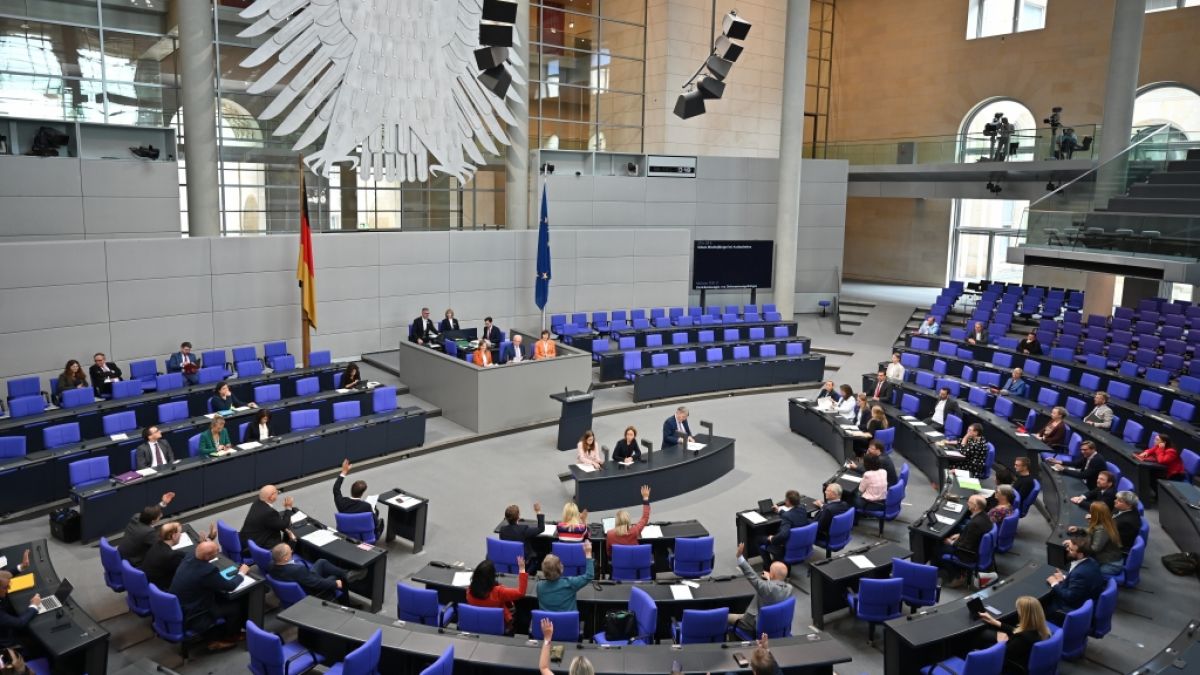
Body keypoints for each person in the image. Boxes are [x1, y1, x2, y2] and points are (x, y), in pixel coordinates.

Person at [169, 540, 249, 649]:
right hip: (195, 614)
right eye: (216, 552)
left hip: (181, 605)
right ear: (207, 557)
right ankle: (228, 636)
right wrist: (242, 573)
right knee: (234, 607)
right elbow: (230, 586)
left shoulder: (190, 556)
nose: (218, 552)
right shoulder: (207, 571)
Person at [730, 543, 793, 635]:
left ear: (772, 575)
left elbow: (752, 575)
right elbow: (775, 587)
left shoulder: (765, 588)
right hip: (776, 624)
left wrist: (740, 557)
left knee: (724, 617)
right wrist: (770, 579)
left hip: (754, 624)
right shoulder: (789, 588)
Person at [977, 595, 1051, 674]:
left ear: (1024, 615)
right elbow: (1019, 631)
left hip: (1011, 664)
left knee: (983, 640)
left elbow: (1003, 654)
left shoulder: (1022, 639)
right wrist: (995, 622)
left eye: (1018, 610)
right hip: (1024, 656)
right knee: (988, 634)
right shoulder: (1042, 631)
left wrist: (1001, 642)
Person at [270, 543, 359, 605]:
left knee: (321, 562)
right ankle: (347, 606)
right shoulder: (298, 570)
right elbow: (317, 584)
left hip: (304, 579)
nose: (292, 552)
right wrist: (335, 583)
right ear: (285, 558)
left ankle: (346, 574)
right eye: (290, 552)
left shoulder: (271, 565)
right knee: (337, 578)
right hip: (312, 590)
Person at [1045, 537, 1105, 623]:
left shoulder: (1080, 573)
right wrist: (1064, 578)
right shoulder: (1091, 561)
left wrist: (1054, 583)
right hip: (1086, 598)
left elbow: (1069, 597)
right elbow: (1081, 583)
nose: (1067, 550)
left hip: (1072, 608)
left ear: (1080, 554)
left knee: (1041, 605)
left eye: (1071, 550)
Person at [141, 521, 215, 591]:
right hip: (165, 588)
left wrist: (203, 544)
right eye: (180, 532)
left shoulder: (158, 544)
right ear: (174, 536)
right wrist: (206, 546)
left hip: (152, 584)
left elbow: (184, 555)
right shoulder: (170, 556)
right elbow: (191, 566)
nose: (181, 535)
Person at [467, 557, 527, 634]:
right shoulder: (498, 592)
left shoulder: (469, 591)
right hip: (498, 626)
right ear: (492, 576)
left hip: (477, 624)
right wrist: (522, 569)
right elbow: (521, 593)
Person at [942, 495, 991, 588]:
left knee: (938, 549)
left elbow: (966, 546)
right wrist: (960, 535)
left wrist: (951, 542)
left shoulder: (975, 523)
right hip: (976, 546)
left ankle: (958, 576)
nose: (967, 504)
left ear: (976, 507)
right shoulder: (984, 516)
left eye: (970, 502)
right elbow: (973, 535)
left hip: (968, 554)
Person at [118, 492, 175, 565]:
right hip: (133, 561)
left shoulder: (136, 517)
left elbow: (151, 512)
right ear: (153, 521)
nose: (161, 515)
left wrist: (163, 503)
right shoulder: (148, 532)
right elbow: (161, 546)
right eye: (159, 516)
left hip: (121, 555)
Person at [1068, 502, 1124, 576]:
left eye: (1091, 511)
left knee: (1082, 574)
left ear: (1096, 514)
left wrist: (1075, 543)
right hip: (1109, 559)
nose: (1089, 513)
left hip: (1110, 564)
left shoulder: (1102, 530)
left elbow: (1094, 549)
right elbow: (1093, 531)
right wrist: (1078, 528)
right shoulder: (1108, 521)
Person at [537, 539, 594, 612]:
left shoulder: (539, 586)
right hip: (569, 623)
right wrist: (588, 553)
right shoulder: (570, 583)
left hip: (548, 622)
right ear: (561, 569)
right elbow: (589, 575)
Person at [333, 459, 383, 539]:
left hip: (345, 534)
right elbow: (375, 523)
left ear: (351, 489)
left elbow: (336, 489)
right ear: (362, 493)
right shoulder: (366, 506)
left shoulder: (341, 502)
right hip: (362, 537)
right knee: (378, 517)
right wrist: (373, 511)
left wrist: (344, 472)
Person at [761, 490, 811, 565]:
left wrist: (772, 538)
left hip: (787, 546)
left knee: (758, 539)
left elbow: (784, 535)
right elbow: (792, 515)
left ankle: (768, 567)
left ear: (788, 501)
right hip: (801, 542)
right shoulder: (802, 508)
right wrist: (779, 511)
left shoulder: (787, 516)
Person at [241, 485, 296, 550]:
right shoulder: (269, 512)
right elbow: (284, 525)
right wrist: (288, 507)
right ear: (271, 497)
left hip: (247, 540)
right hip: (258, 545)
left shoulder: (256, 503)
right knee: (292, 539)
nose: (278, 493)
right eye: (277, 492)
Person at [499, 502, 544, 570]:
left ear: (506, 518)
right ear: (518, 516)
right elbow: (541, 528)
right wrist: (538, 511)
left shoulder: (502, 530)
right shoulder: (524, 530)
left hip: (508, 561)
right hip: (524, 564)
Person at [0, 571, 38, 651]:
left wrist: (19, 568)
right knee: (35, 646)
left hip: (5, 629)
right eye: (5, 587)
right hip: (6, 644)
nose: (9, 589)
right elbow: (19, 623)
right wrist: (34, 606)